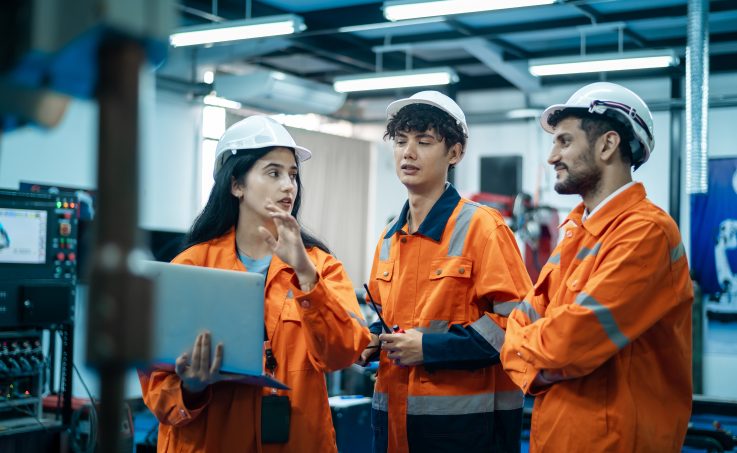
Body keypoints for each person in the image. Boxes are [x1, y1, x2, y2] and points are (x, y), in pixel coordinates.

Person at [139, 115, 371, 452]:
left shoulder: (320, 266)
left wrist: (306, 275)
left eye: (292, 175)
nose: (289, 185)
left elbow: (343, 353)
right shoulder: (191, 266)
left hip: (295, 440)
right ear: (237, 185)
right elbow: (156, 383)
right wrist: (191, 386)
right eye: (273, 173)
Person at [500, 82, 693, 452]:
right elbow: (519, 323)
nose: (552, 156)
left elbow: (568, 343)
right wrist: (534, 355)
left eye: (565, 142)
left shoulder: (646, 232)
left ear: (607, 145)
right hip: (557, 437)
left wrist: (529, 357)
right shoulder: (576, 232)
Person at [359, 91, 532, 453]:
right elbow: (389, 319)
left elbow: (516, 326)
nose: (408, 152)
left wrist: (429, 348)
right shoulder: (390, 238)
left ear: (454, 153)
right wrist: (375, 340)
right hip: (393, 428)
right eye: (401, 141)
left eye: (423, 142)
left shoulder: (483, 228)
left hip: (465, 431)